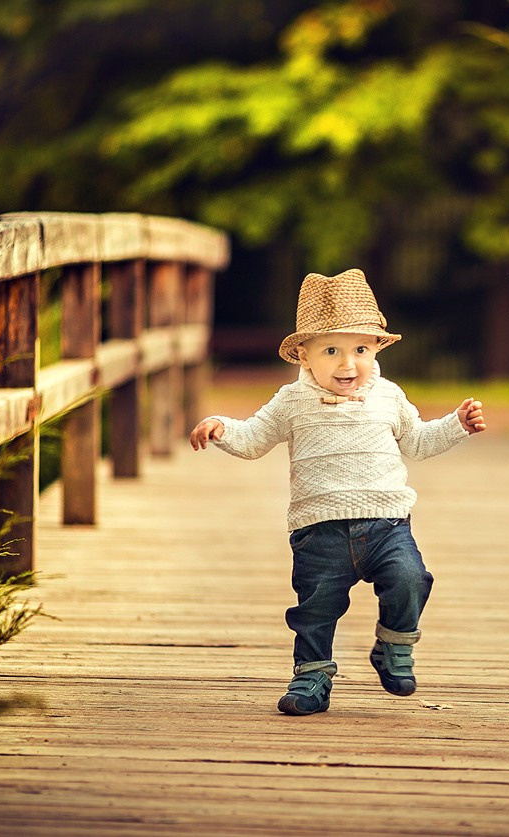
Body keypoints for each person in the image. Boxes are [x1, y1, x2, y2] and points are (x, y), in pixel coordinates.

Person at [189, 268, 486, 716]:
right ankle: (311, 678)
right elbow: (253, 439)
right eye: (332, 351)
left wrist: (455, 425)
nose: (349, 365)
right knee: (315, 609)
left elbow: (419, 442)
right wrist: (221, 428)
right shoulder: (291, 401)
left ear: (377, 349)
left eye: (361, 350)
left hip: (387, 524)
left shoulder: (388, 396)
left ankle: (394, 645)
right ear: (303, 356)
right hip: (318, 532)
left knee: (411, 580)